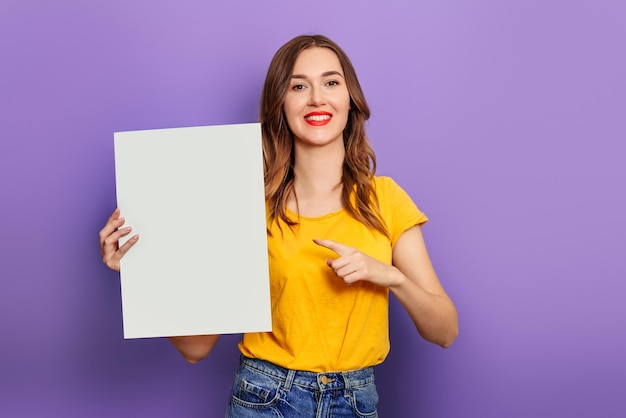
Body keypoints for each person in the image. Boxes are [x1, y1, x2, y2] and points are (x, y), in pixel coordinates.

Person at [99, 34, 458, 418]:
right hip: (265, 398)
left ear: (350, 100)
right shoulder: (245, 205)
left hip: (355, 400)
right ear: (280, 104)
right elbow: (195, 348)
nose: (316, 97)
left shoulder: (383, 199)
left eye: (331, 82)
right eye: (298, 86)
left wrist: (390, 277)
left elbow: (445, 332)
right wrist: (142, 272)